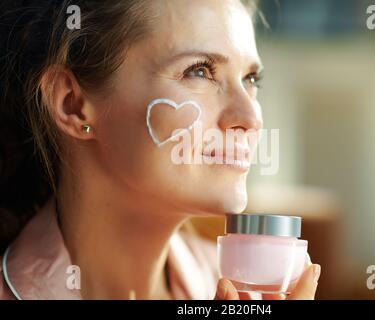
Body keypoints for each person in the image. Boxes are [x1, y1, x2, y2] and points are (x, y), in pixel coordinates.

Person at [0, 0, 321, 299]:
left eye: (251, 79)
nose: (250, 118)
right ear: (73, 104)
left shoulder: (244, 291)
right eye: (199, 71)